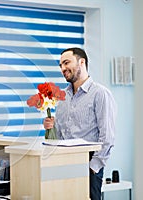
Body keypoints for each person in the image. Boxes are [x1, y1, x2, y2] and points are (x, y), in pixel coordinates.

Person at [43, 47, 116, 200]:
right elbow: (61, 135)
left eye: (66, 63)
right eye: (61, 65)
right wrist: (51, 127)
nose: (63, 68)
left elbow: (107, 136)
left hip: (88, 165)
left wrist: (93, 168)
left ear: (81, 62)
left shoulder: (100, 94)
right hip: (64, 164)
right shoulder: (63, 98)